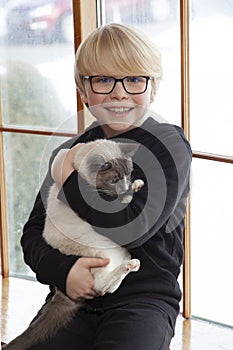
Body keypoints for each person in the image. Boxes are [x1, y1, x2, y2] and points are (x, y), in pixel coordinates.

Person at [21, 23, 192, 349]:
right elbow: (32, 232)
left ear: (153, 89)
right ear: (83, 92)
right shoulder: (69, 151)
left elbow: (133, 228)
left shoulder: (166, 146)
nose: (119, 92)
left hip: (143, 300)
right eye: (102, 80)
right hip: (71, 296)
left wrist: (70, 178)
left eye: (134, 79)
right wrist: (65, 271)